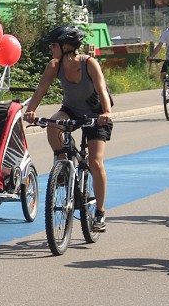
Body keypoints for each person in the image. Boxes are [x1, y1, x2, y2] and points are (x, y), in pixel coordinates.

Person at [24, 25, 113, 231]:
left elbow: (101, 90)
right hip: (71, 110)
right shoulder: (54, 65)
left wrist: (106, 113)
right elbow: (41, 89)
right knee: (52, 126)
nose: (50, 49)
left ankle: (99, 212)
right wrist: (30, 111)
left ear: (65, 46)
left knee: (95, 161)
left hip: (96, 113)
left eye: (53, 45)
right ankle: (63, 165)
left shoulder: (89, 63)